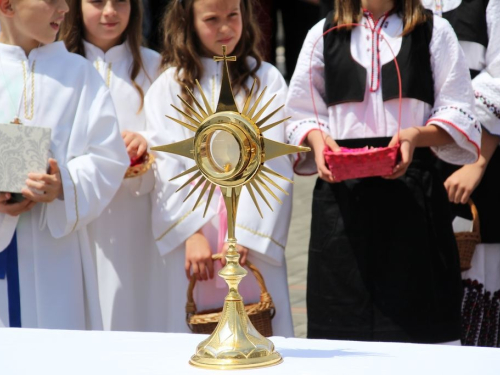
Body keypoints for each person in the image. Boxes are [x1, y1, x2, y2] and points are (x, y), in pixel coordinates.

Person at [286, 0, 482, 344]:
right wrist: (319, 143)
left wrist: (414, 136)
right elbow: (300, 112)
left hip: (414, 195)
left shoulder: (433, 31)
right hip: (343, 200)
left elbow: (457, 109)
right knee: (344, 335)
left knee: (421, 329)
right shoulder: (323, 33)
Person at [145, 0, 295, 336]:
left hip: (249, 240)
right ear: (188, 21)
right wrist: (191, 234)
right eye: (211, 19)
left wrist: (244, 233)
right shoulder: (169, 86)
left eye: (233, 16)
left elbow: (275, 161)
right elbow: (166, 165)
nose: (225, 28)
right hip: (195, 242)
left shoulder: (265, 79)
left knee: (259, 330)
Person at [0, 0, 129, 329]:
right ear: (7, 5)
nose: (64, 10)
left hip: (55, 254)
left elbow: (109, 157)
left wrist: (64, 184)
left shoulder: (79, 74)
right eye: (52, 1)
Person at [59, 0, 163, 332]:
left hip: (135, 214)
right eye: (97, 2)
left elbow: (173, 132)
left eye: (120, 2)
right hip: (77, 214)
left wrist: (145, 141)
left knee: (135, 306)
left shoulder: (154, 66)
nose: (109, 12)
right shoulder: (62, 65)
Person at [422, 0, 500, 347]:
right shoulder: (401, 8)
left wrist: (478, 162)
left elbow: (499, 79)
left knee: (481, 285)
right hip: (418, 166)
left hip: (479, 165)